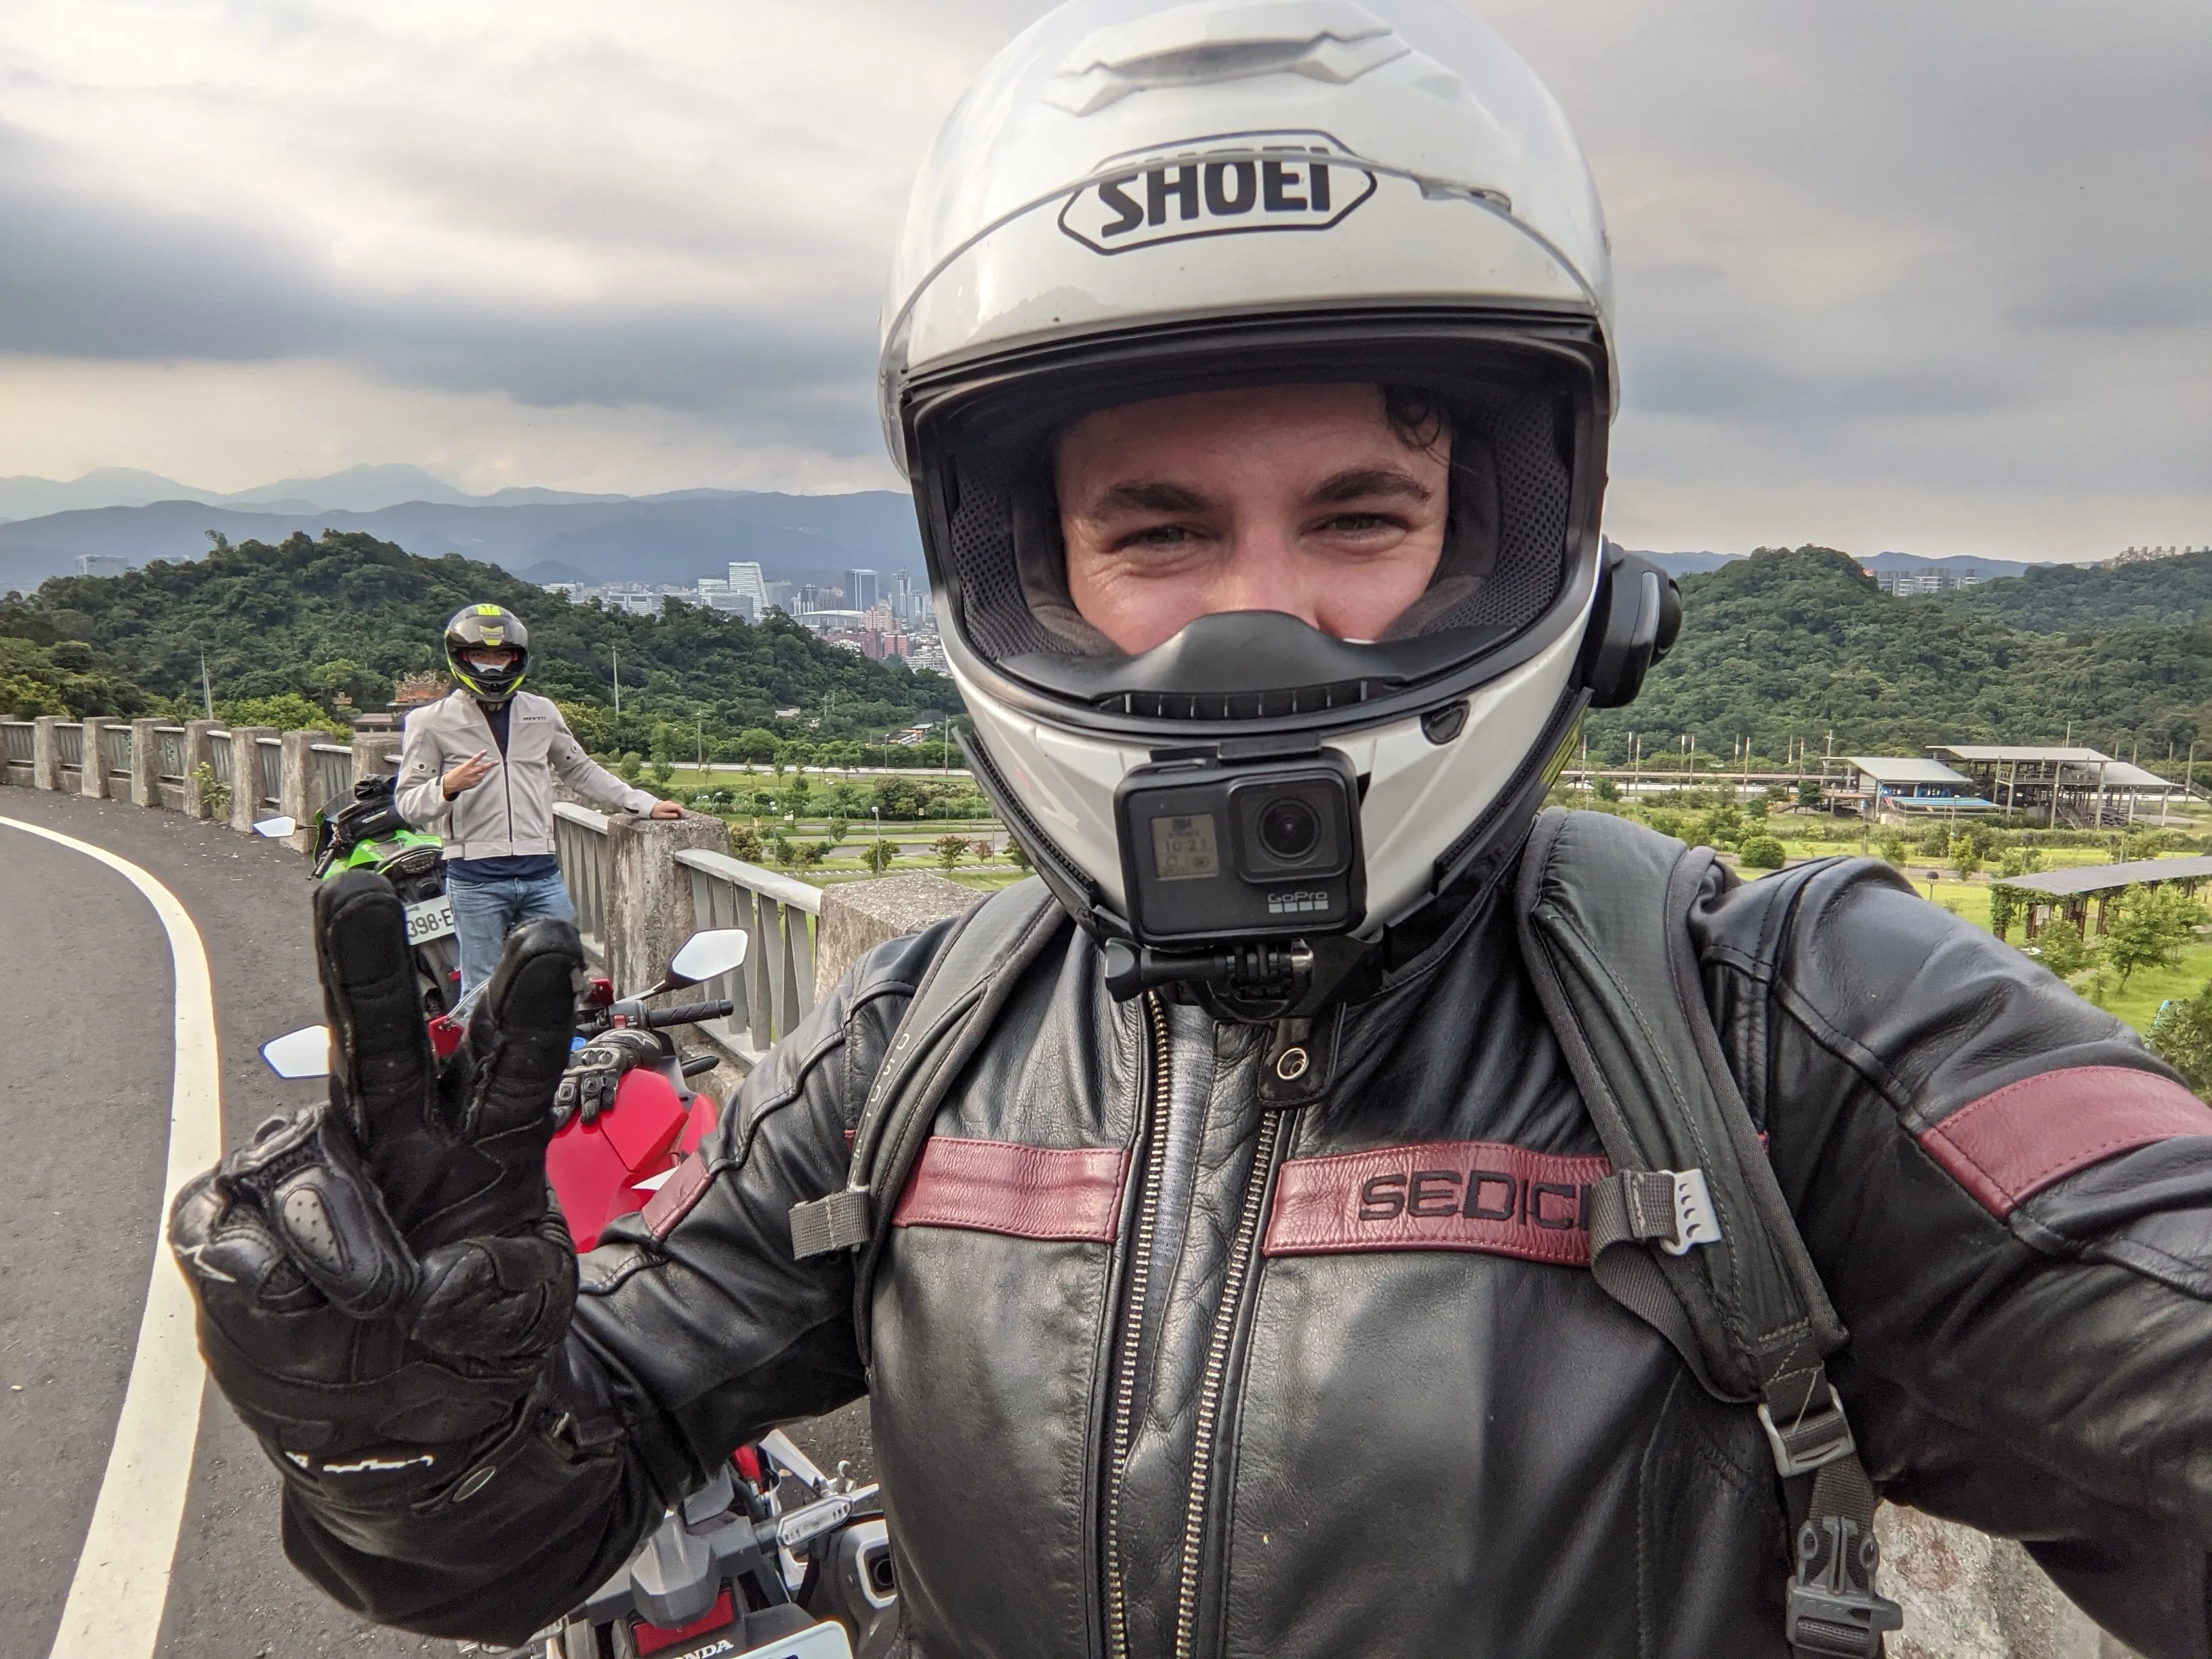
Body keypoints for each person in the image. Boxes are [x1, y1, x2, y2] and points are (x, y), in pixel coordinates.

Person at [168, 5, 2212, 1656]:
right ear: (1018, 570)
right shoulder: (914, 1049)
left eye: (1358, 517)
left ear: (1521, 549)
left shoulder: (1782, 1021)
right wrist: (406, 1434)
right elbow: (530, 1529)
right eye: (1155, 532)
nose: (1266, 623)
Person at [394, 603, 681, 993]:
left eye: (500, 655)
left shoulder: (540, 711)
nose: (492, 666)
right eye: (480, 655)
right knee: (483, 987)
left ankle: (568, 1051)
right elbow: (409, 803)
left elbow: (578, 769)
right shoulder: (430, 722)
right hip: (475, 878)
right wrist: (448, 785)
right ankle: (480, 1055)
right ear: (461, 658)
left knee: (566, 976)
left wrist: (643, 804)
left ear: (517, 658)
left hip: (540, 873)